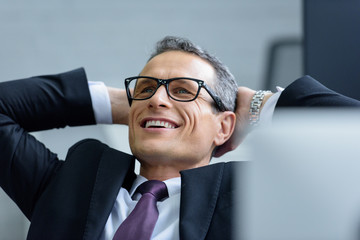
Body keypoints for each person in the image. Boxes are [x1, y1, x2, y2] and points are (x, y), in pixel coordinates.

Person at [0, 36, 359, 240]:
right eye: (145, 89)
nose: (157, 98)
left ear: (224, 127)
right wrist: (117, 103)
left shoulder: (258, 198)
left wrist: (260, 106)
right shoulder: (69, 183)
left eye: (183, 91)